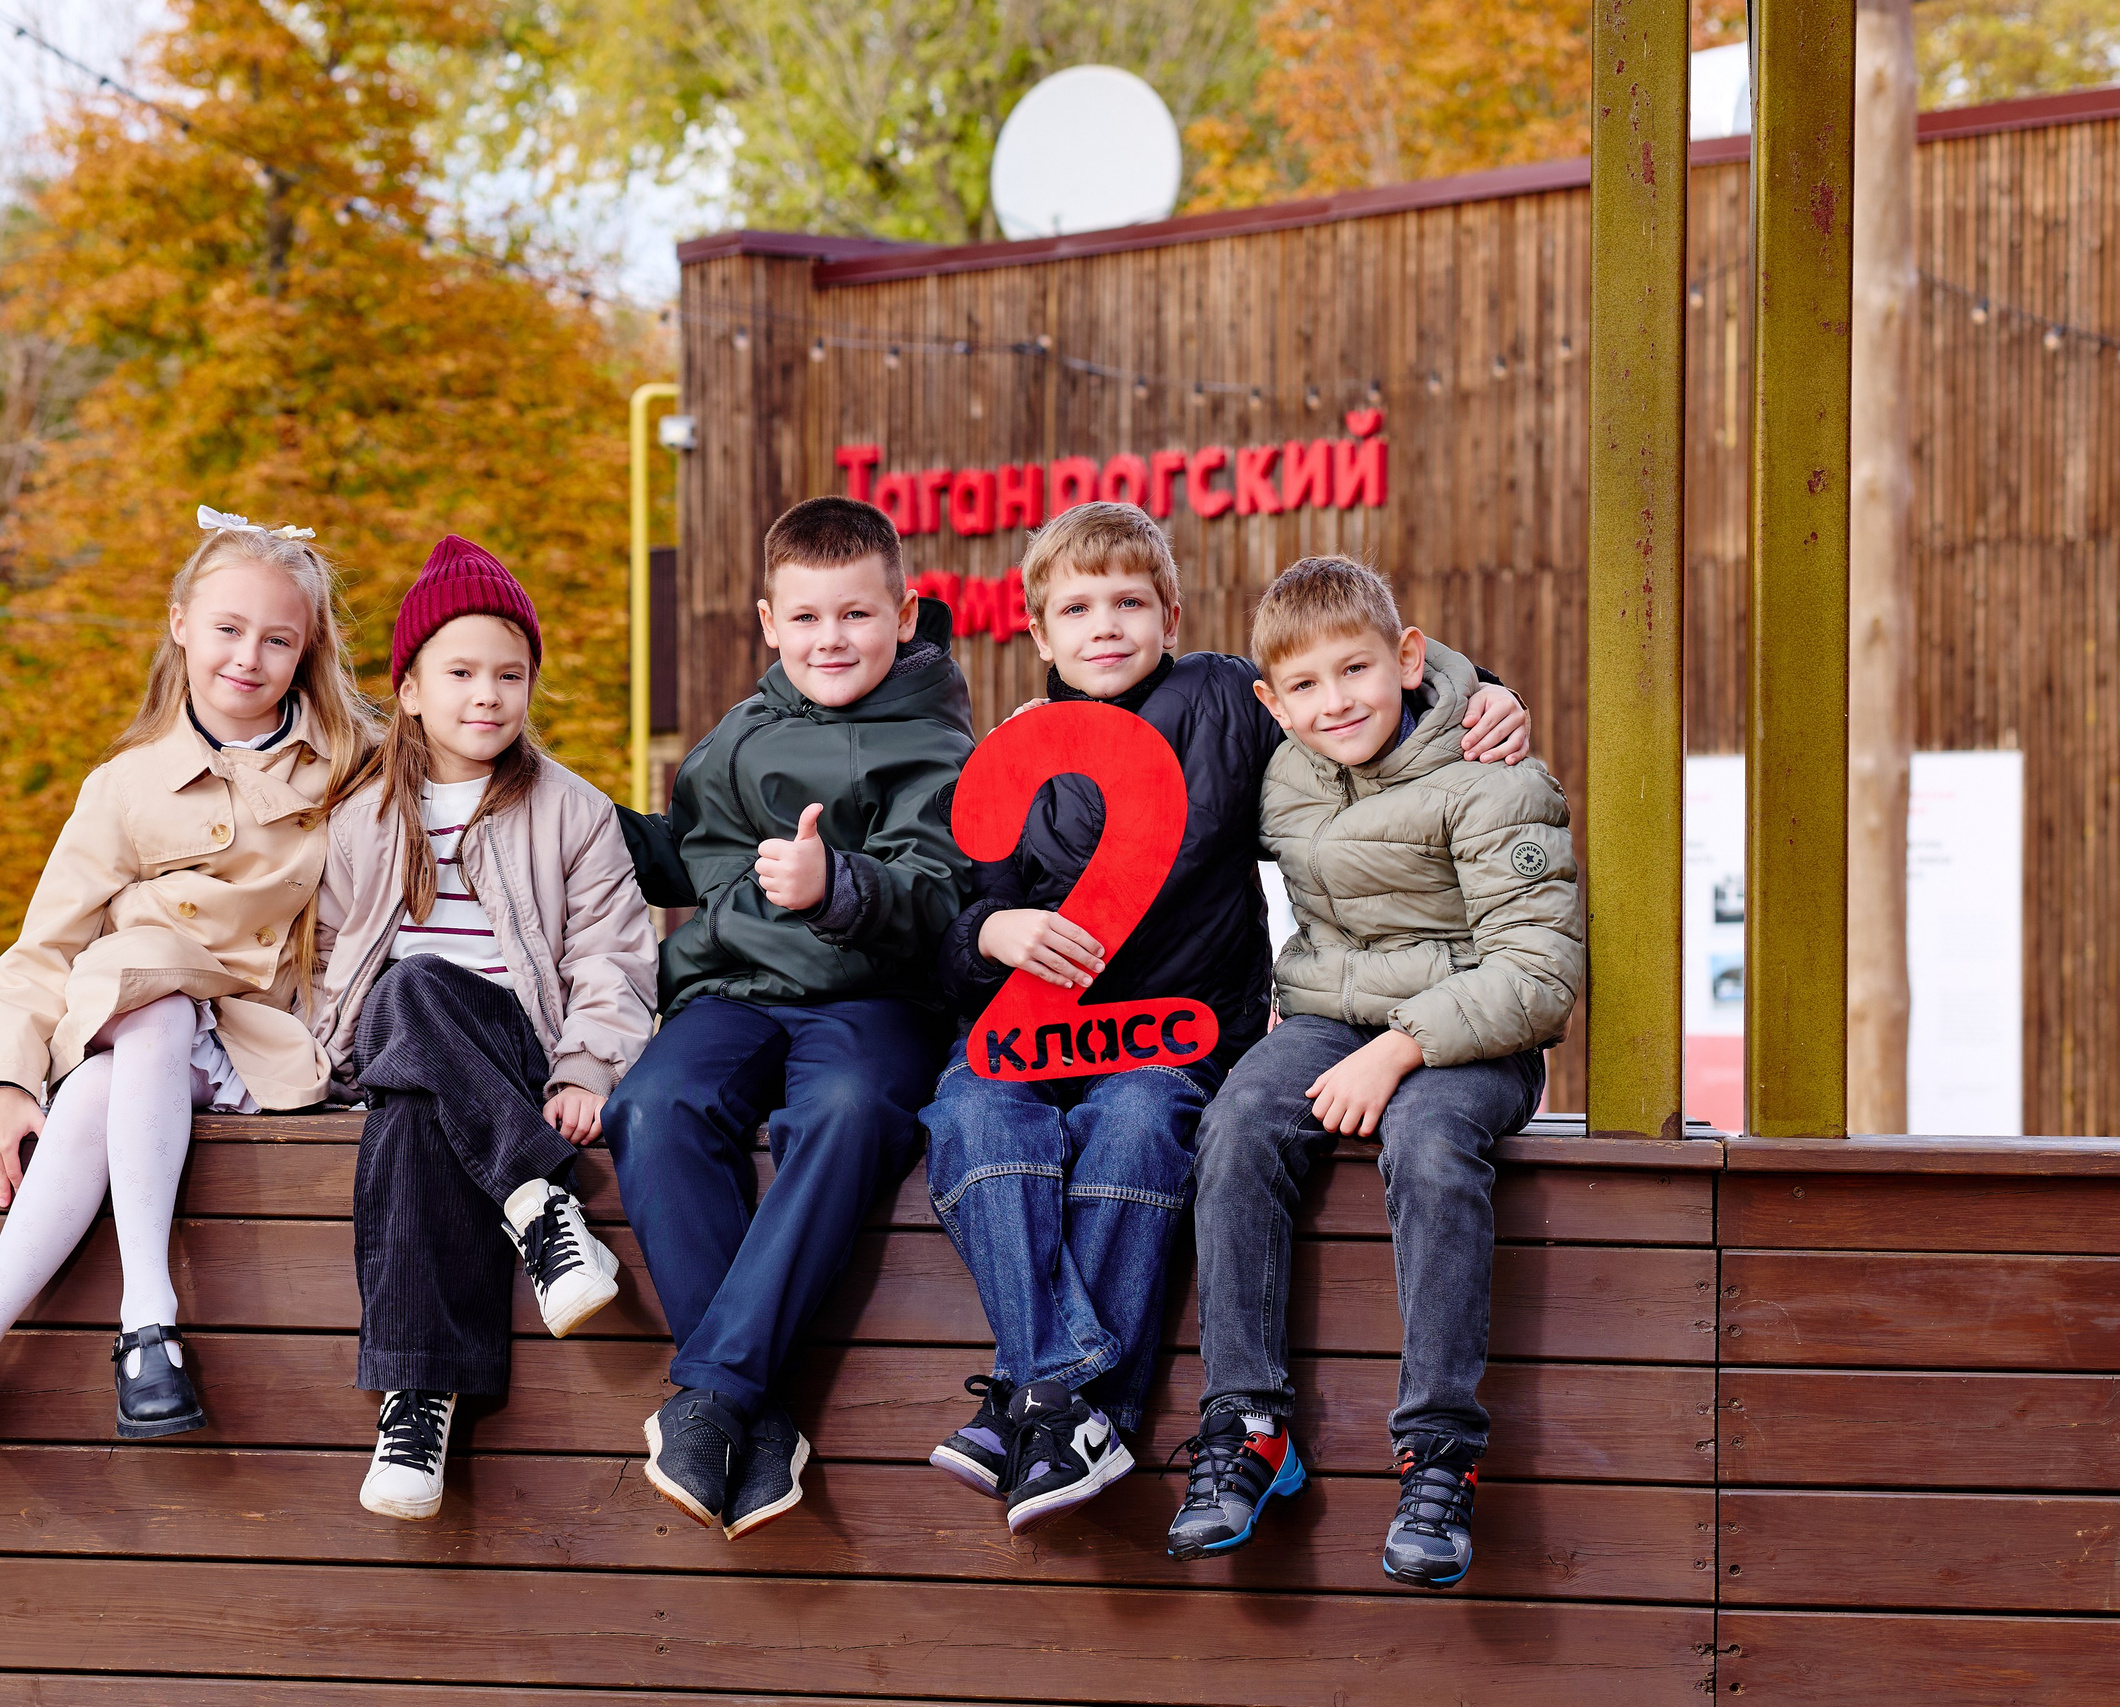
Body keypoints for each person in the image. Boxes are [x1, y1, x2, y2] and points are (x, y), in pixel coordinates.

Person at [920, 505, 1532, 1535]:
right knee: (969, 1110)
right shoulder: (1016, 753)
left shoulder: (1226, 703)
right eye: (1077, 609)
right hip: (1045, 1035)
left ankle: (1037, 1401)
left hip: (1178, 1040)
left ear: (1170, 615)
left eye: (1129, 603)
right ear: (1038, 635)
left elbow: (1345, 680)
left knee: (1139, 1122)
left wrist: (1486, 691)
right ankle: (1058, 1395)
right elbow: (955, 927)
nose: (1104, 626)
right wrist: (991, 931)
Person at [0, 508, 376, 1484]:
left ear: (307, 651)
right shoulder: (126, 785)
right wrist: (3, 1082)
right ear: (179, 624)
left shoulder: (353, 764)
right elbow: (44, 949)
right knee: (144, 1002)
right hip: (150, 1021)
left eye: (277, 639)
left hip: (271, 1040)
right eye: (226, 628)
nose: (247, 657)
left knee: (113, 1061)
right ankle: (136, 1331)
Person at [1167, 555, 1582, 1590]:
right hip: (1328, 1018)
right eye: (1304, 686)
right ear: (1272, 704)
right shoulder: (1283, 774)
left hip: (1473, 1037)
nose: (1335, 702)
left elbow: (1538, 976)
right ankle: (1247, 1424)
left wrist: (1396, 1050)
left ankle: (1440, 1453)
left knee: (1427, 1139)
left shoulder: (1491, 774)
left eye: (1355, 670)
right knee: (1235, 1123)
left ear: (1406, 658)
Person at [607, 495, 972, 1541]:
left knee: (847, 1113)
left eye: (856, 614)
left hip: (871, 998)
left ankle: (715, 1393)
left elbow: (939, 892)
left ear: (904, 614)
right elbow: (692, 853)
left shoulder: (936, 740)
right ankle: (753, 1421)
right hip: (734, 989)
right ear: (769, 622)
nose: (830, 639)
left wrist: (837, 884)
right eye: (806, 618)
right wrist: (585, 818)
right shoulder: (743, 729)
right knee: (656, 1104)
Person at [311, 536, 658, 1522]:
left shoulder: (573, 811)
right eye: (460, 672)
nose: (488, 695)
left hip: (515, 1052)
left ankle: (417, 1389)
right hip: (399, 1057)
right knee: (407, 1080)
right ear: (409, 690)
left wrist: (585, 1065)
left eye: (510, 674)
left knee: (415, 1002)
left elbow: (613, 959)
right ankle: (535, 1215)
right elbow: (324, 954)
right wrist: (315, 1056)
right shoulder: (360, 815)